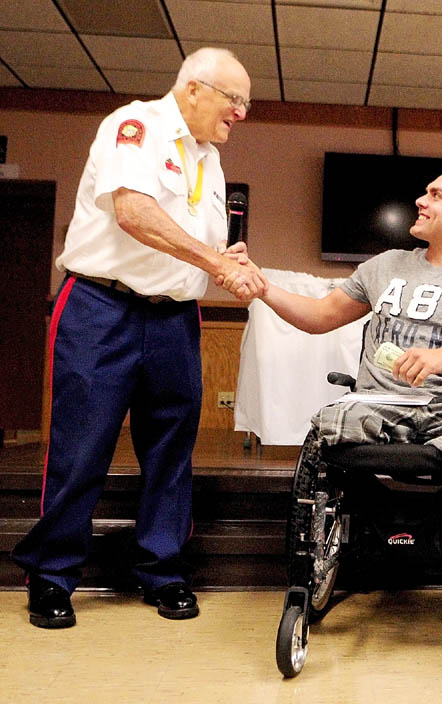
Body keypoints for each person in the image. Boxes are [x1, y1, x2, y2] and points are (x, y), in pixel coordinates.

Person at [11, 47, 267, 628]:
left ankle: (163, 570)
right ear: (195, 88)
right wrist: (215, 262)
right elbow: (133, 213)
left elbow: (187, 238)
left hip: (175, 318)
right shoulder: (136, 127)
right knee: (81, 447)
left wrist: (223, 257)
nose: (242, 114)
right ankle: (51, 576)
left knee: (171, 449)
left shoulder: (209, 157)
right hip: (103, 308)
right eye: (235, 100)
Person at [226, 168, 442, 493]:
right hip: (375, 403)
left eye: (436, 195)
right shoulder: (385, 265)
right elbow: (319, 316)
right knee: (332, 421)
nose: (420, 201)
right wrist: (263, 287)